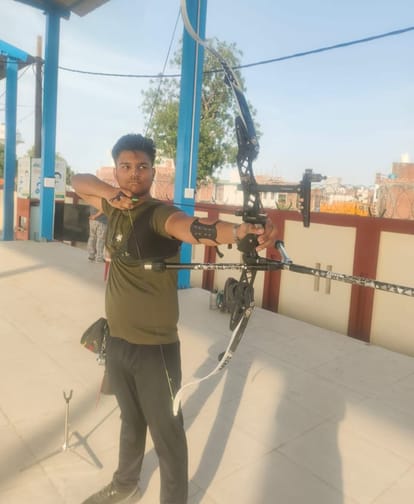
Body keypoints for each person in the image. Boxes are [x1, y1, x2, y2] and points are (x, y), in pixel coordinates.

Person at [71, 133, 278, 504]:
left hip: (155, 350)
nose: (134, 174)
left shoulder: (159, 215)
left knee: (167, 433)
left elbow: (196, 229)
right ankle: (125, 484)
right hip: (116, 341)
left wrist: (239, 233)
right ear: (116, 170)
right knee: (130, 420)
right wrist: (109, 192)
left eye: (142, 167)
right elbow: (77, 181)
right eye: (125, 166)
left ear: (153, 172)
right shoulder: (112, 205)